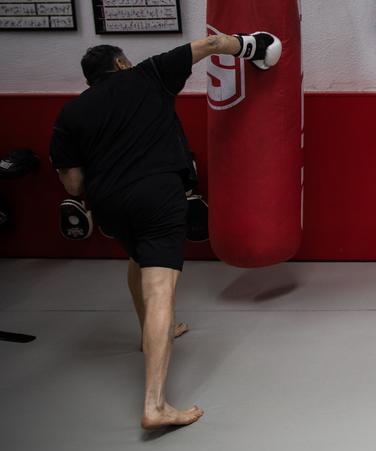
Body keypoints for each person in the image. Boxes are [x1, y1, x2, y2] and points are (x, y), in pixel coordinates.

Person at [49, 31, 280, 429]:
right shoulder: (148, 73)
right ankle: (155, 405)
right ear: (121, 64)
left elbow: (72, 185)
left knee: (137, 257)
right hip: (157, 196)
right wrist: (254, 46)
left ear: (90, 80)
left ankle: (148, 334)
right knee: (161, 291)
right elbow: (208, 46)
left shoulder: (71, 114)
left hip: (110, 206)